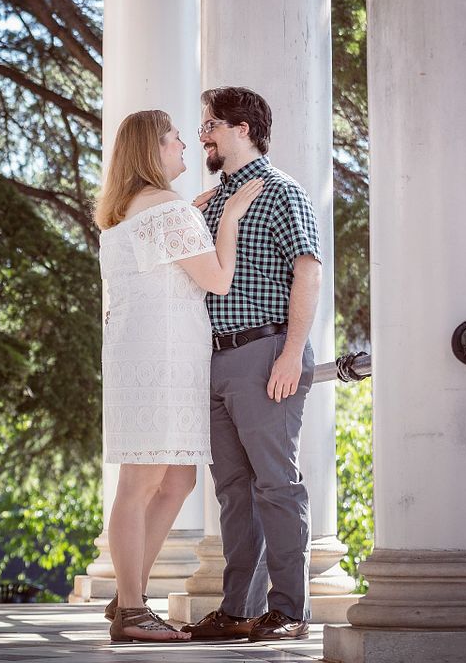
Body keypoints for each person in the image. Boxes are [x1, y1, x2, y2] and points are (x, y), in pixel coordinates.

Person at [95, 109, 262, 644]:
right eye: (173, 140)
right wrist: (230, 215)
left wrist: (190, 216)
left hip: (147, 356)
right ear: (151, 151)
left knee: (177, 479)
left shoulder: (125, 214)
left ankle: (130, 599)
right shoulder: (167, 210)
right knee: (143, 482)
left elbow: (161, 266)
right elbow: (216, 280)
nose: (184, 147)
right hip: (162, 359)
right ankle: (130, 608)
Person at [182, 86, 322, 643]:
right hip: (214, 360)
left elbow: (308, 273)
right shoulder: (210, 202)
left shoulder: (283, 192)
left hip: (266, 353)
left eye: (211, 124)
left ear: (242, 128)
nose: (203, 136)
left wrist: (291, 352)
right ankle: (239, 608)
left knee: (275, 486)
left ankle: (290, 611)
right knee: (233, 491)